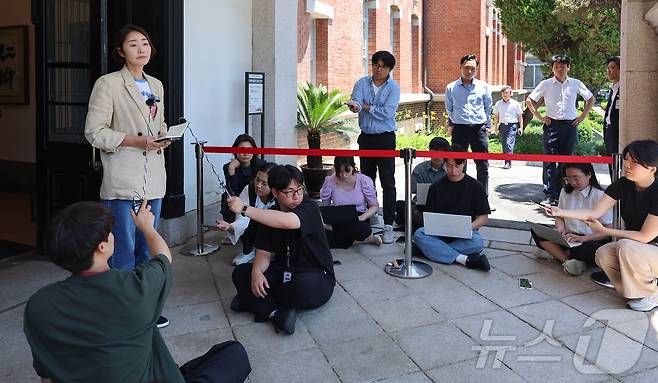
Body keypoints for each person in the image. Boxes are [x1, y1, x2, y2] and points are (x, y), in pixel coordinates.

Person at [23, 201, 251, 383]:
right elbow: (163, 257)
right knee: (233, 354)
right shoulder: (135, 287)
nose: (113, 235)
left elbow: (47, 375)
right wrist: (146, 227)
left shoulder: (39, 305)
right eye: (110, 232)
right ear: (102, 247)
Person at [84, 24, 170, 327]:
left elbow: (155, 127)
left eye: (145, 43)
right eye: (133, 44)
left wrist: (163, 136)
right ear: (121, 51)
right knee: (122, 249)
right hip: (123, 180)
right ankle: (122, 313)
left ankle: (145, 308)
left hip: (153, 179)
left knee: (148, 245)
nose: (141, 49)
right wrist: (137, 141)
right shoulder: (108, 84)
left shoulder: (156, 85)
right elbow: (94, 132)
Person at [546, 140, 658, 311]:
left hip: (649, 247)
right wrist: (559, 212)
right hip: (640, 250)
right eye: (626, 158)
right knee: (603, 253)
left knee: (625, 246)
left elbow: (645, 236)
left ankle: (651, 293)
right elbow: (593, 213)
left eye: (634, 162)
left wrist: (605, 231)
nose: (626, 164)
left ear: (652, 168)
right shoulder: (624, 184)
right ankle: (635, 291)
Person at [229, 165, 335, 335]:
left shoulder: (310, 208)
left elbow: (288, 222)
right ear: (276, 192)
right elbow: (263, 253)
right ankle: (276, 313)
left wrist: (244, 209)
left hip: (315, 274)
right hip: (283, 272)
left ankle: (254, 302)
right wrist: (256, 272)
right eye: (289, 191)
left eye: (299, 189)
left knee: (301, 288)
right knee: (241, 273)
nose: (297, 196)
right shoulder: (270, 214)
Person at [347, 50, 401, 244]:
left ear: (389, 69)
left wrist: (367, 107)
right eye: (375, 65)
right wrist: (355, 105)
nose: (378, 69)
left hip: (385, 138)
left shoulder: (393, 88)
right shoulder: (362, 83)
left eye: (383, 66)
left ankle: (388, 224)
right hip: (366, 137)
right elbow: (357, 100)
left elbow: (387, 113)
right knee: (367, 181)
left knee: (388, 182)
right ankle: (371, 215)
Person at [526, 54, 595, 206]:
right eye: (556, 66)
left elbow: (590, 99)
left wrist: (582, 116)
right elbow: (529, 100)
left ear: (568, 67)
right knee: (549, 162)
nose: (559, 69)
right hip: (552, 126)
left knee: (566, 162)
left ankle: (565, 193)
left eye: (563, 66)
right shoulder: (546, 84)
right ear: (552, 68)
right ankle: (550, 194)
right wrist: (539, 116)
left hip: (570, 126)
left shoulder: (576, 83)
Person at [412, 145, 492, 271]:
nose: (453, 170)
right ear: (444, 164)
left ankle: (429, 250)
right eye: (449, 166)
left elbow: (483, 217)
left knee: (477, 242)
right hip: (440, 232)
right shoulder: (436, 187)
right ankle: (464, 259)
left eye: (457, 166)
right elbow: (429, 217)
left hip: (465, 231)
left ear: (464, 163)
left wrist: (468, 227)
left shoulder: (476, 186)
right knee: (419, 234)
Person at [532, 163, 613, 276]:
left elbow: (608, 231)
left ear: (589, 175)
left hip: (590, 240)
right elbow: (560, 217)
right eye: (568, 178)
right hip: (569, 237)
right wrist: (561, 230)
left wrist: (584, 238)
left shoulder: (600, 196)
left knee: (593, 249)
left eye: (576, 178)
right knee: (537, 231)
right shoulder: (565, 192)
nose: (573, 182)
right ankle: (568, 261)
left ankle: (557, 254)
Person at [445, 54, 493, 200]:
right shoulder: (451, 87)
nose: (469, 71)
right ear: (460, 67)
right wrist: (457, 121)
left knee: (482, 165)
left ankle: (482, 197)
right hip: (460, 129)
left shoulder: (483, 87)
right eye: (466, 68)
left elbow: (488, 106)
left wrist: (487, 125)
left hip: (479, 129)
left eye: (472, 68)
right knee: (458, 164)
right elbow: (449, 108)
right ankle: (460, 196)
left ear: (477, 69)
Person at [217, 162, 277, 265]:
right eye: (257, 180)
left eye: (264, 183)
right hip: (254, 228)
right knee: (250, 221)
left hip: (275, 229)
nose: (258, 185)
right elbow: (243, 218)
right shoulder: (249, 189)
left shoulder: (280, 195)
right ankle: (248, 251)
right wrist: (231, 226)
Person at [320, 156, 382, 248]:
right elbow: (325, 207)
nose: (343, 175)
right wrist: (324, 220)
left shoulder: (363, 180)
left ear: (353, 167)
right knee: (322, 240)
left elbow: (374, 206)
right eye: (339, 172)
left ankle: (335, 231)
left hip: (358, 218)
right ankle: (361, 240)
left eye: (347, 171)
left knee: (364, 229)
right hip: (339, 217)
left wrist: (362, 217)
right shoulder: (330, 181)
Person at [395, 137, 450, 233]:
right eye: (435, 151)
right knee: (400, 205)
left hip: (443, 208)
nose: (438, 156)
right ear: (429, 152)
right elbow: (411, 189)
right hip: (421, 207)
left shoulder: (451, 169)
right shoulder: (420, 168)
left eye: (441, 152)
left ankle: (416, 225)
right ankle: (418, 224)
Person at [221, 134, 265, 224]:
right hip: (238, 198)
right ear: (235, 151)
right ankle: (232, 228)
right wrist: (231, 170)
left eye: (249, 149)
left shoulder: (261, 165)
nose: (246, 153)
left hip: (256, 197)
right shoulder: (228, 167)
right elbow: (232, 190)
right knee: (227, 196)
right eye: (242, 150)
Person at [493, 86, 524, 169]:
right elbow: (496, 117)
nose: (505, 95)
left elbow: (520, 116)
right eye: (503, 93)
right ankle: (507, 161)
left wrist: (521, 127)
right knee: (504, 144)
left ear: (510, 94)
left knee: (508, 144)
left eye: (507, 93)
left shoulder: (515, 104)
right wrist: (495, 128)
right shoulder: (498, 104)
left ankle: (508, 163)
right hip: (502, 126)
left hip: (512, 126)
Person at [604, 56, 621, 176]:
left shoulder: (623, 88)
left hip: (618, 131)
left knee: (617, 163)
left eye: (612, 68)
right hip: (609, 130)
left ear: (621, 70)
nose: (609, 71)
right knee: (611, 162)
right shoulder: (613, 88)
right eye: (608, 68)